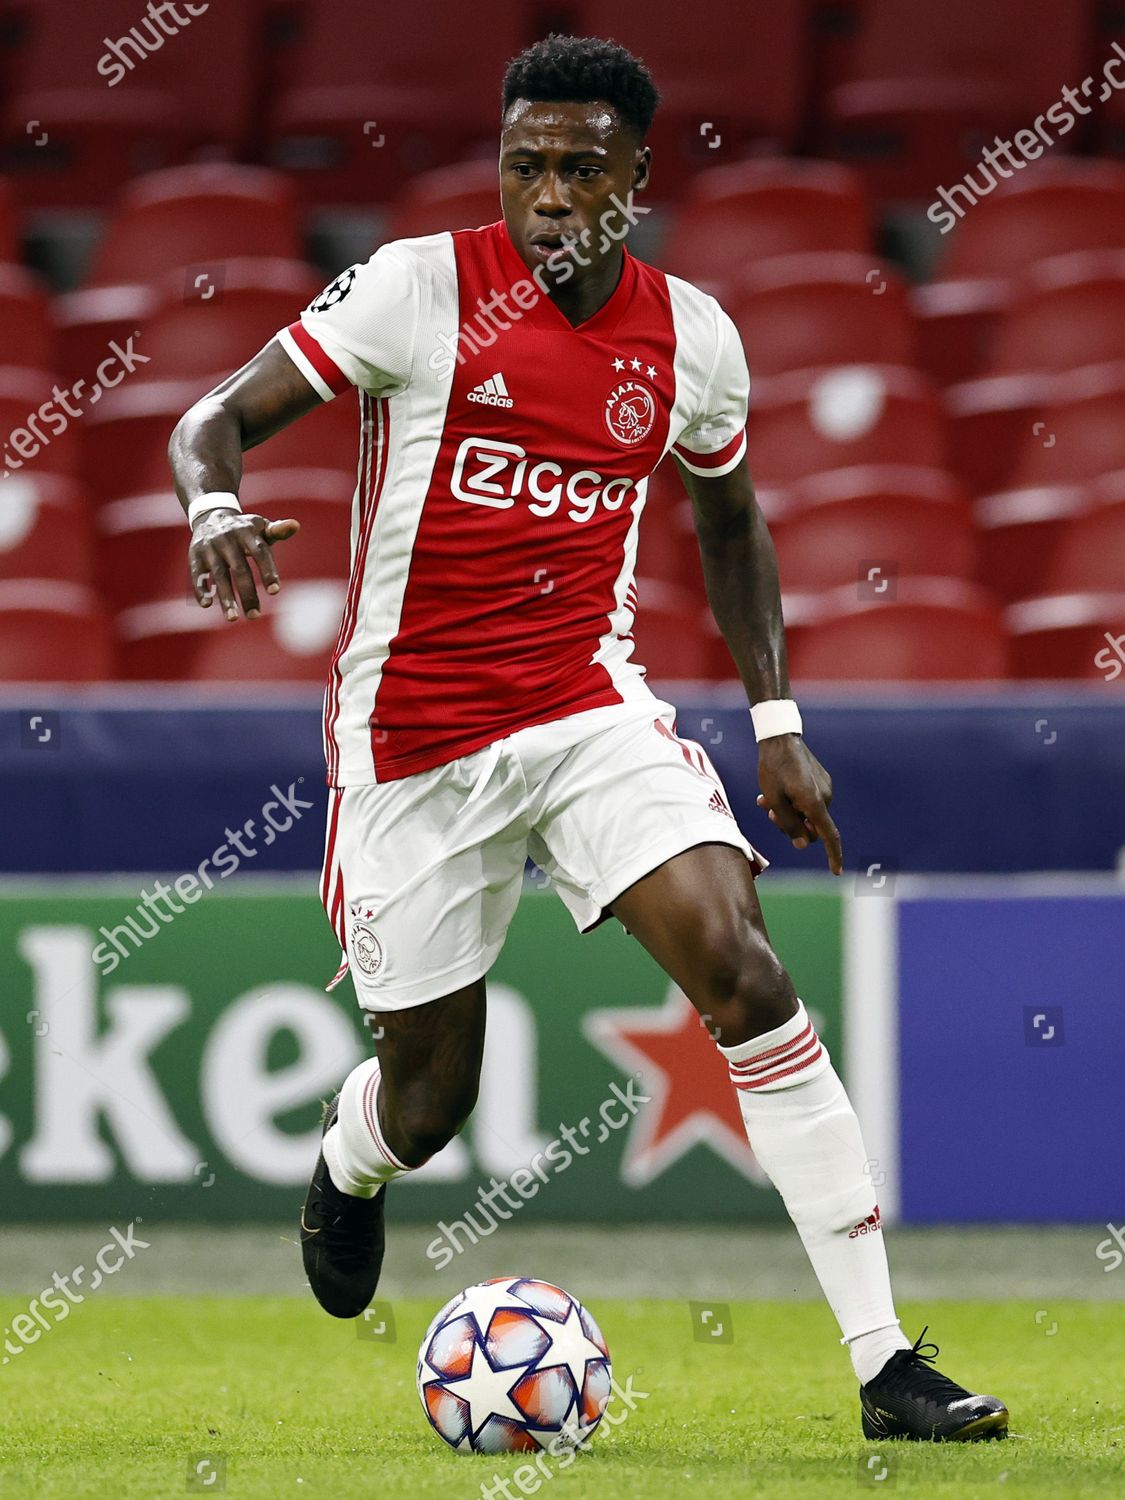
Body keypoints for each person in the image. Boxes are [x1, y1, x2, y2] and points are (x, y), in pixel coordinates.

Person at [169, 33, 1008, 1443]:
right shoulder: (416, 290)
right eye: (524, 164)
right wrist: (209, 505)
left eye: (577, 168)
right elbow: (214, 418)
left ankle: (883, 1367)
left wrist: (777, 723)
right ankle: (350, 1161)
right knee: (432, 1099)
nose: (546, 193)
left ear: (635, 177)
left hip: (581, 707)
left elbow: (729, 522)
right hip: (414, 743)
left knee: (745, 972)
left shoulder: (693, 341)